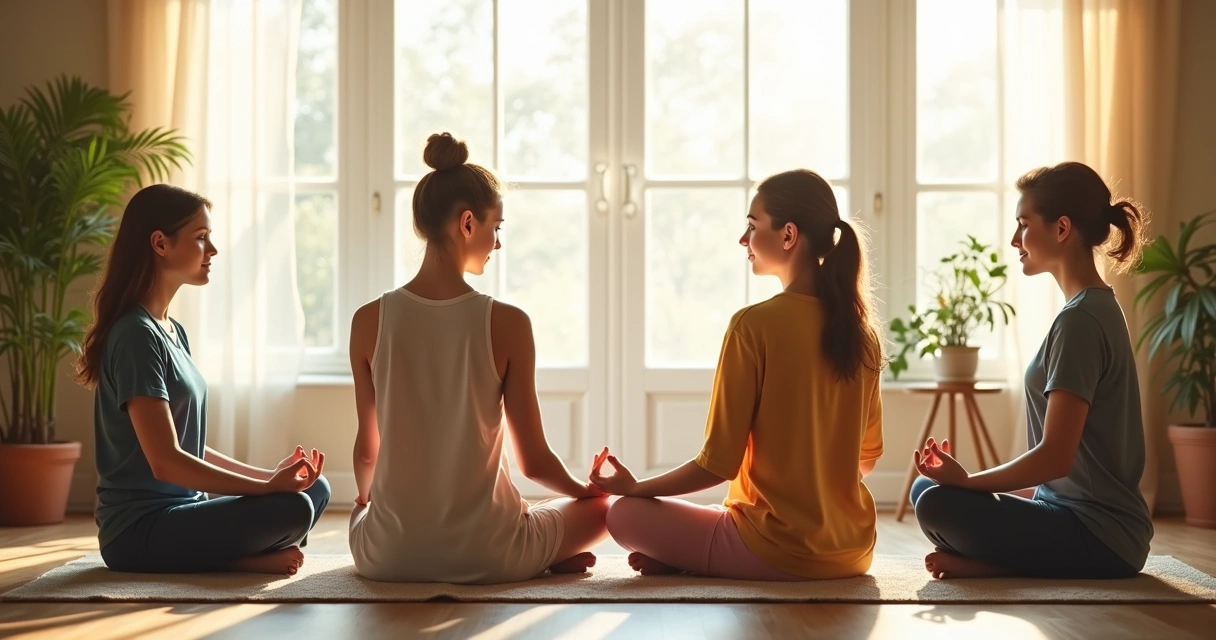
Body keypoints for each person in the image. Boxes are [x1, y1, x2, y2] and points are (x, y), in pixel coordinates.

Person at [590, 169, 885, 580]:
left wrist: (636, 488)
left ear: (788, 236)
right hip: (854, 552)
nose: (743, 240)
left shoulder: (752, 326)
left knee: (623, 513)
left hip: (776, 553)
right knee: (719, 516)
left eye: (751, 226)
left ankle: (697, 559)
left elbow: (717, 466)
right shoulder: (863, 335)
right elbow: (864, 462)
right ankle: (696, 555)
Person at [347, 132, 609, 584]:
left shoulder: (369, 320)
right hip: (492, 556)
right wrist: (588, 492)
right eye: (497, 228)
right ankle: (545, 554)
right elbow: (535, 463)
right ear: (468, 223)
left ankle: (541, 550)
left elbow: (368, 453)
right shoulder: (508, 323)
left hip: (385, 558)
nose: (498, 244)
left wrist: (366, 503)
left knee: (360, 512)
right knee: (605, 511)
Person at [910, 161, 1153, 580]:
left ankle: (993, 567)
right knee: (926, 491)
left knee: (937, 503)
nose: (1013, 239)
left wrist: (968, 483)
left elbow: (1056, 457)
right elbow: (1066, 474)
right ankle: (995, 562)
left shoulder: (1081, 321)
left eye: (1023, 224)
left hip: (1102, 539)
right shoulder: (1088, 310)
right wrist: (964, 482)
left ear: (1061, 229)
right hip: (1069, 516)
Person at [77, 184, 330, 576]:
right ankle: (236, 560)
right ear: (160, 243)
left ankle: (232, 557)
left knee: (315, 490)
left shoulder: (172, 331)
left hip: (185, 513)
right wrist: (267, 490)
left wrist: (269, 477)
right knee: (294, 507)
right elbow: (166, 462)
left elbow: (188, 447)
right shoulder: (135, 336)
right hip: (138, 532)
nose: (212, 250)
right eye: (201, 238)